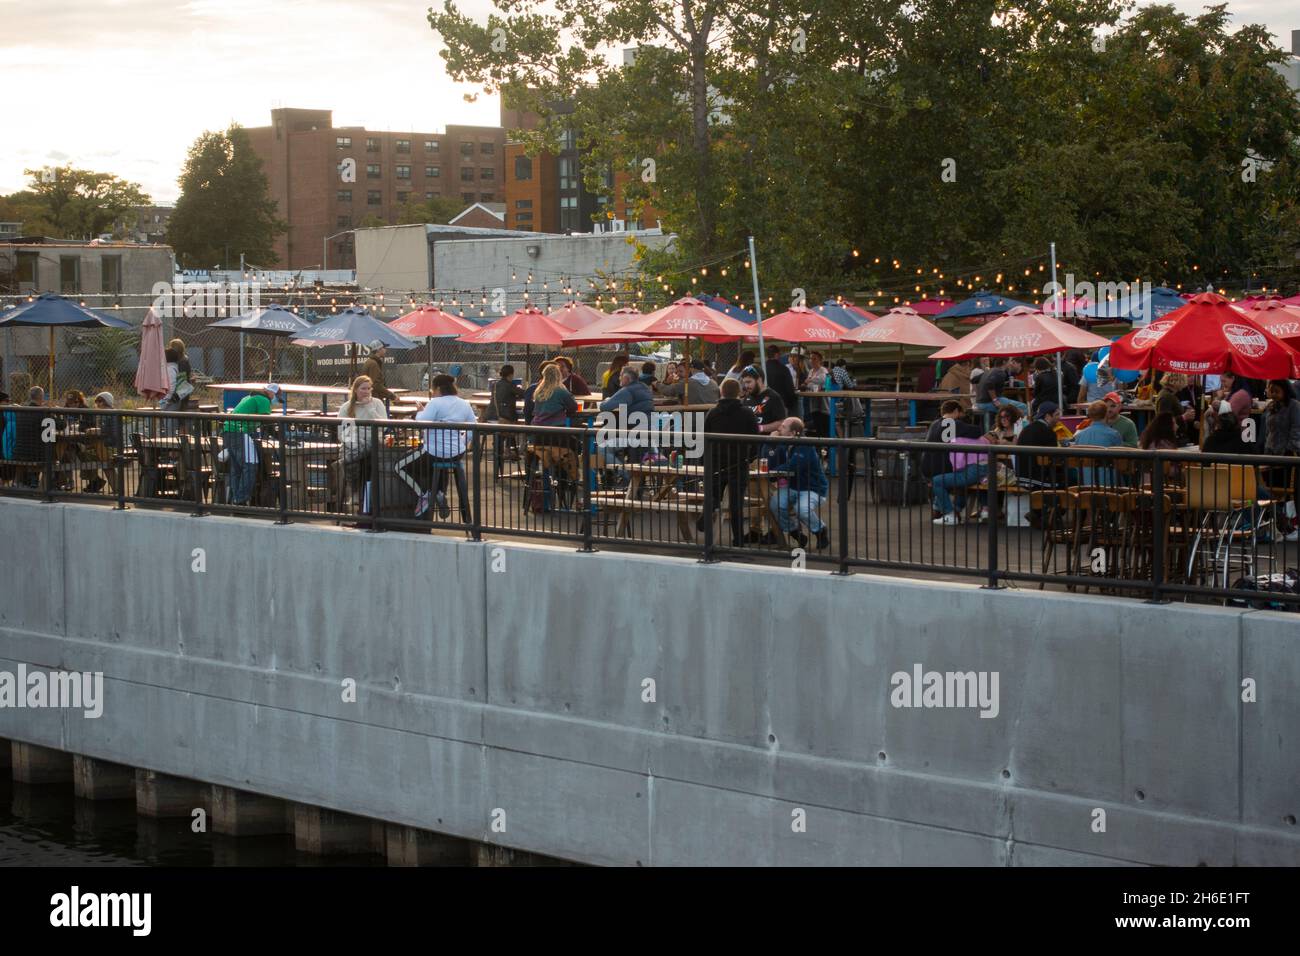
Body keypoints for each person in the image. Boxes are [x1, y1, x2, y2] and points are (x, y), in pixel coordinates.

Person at [397, 373, 477, 521]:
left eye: (433, 389)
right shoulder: (464, 403)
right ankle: (441, 494)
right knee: (438, 466)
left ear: (438, 388)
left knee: (399, 466)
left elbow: (421, 421)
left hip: (434, 452)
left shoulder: (435, 402)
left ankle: (425, 494)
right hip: (456, 453)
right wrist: (463, 442)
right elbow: (473, 427)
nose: (432, 392)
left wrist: (421, 411)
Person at [701, 378, 759, 546]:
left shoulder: (713, 413)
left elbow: (706, 438)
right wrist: (750, 458)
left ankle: (706, 527)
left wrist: (706, 460)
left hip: (716, 462)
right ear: (739, 393)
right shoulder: (747, 413)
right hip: (739, 463)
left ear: (721, 392)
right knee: (736, 504)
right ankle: (738, 539)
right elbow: (755, 439)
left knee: (712, 497)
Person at [765, 417, 829, 550]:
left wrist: (772, 471)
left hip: (812, 488)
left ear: (793, 433)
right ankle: (795, 531)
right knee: (775, 504)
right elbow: (771, 460)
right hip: (793, 486)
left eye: (783, 427)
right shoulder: (785, 444)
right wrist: (771, 443)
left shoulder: (805, 445)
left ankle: (820, 531)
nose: (779, 429)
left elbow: (793, 466)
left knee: (802, 510)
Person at [221, 383, 279, 505]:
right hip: (240, 432)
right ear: (271, 393)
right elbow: (266, 422)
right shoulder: (264, 400)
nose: (276, 402)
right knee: (251, 465)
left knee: (236, 468)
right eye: (276, 397)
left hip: (228, 430)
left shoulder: (249, 397)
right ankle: (241, 498)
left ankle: (235, 498)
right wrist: (280, 437)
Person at [598, 366, 656, 484]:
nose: (619, 378)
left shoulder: (627, 390)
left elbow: (604, 407)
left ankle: (628, 476)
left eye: (620, 376)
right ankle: (626, 476)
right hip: (650, 433)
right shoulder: (644, 387)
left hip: (636, 435)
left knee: (602, 447)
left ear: (626, 378)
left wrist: (607, 400)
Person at [337, 375, 386, 509]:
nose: (366, 391)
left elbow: (384, 426)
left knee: (349, 454)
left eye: (369, 388)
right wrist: (353, 442)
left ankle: (354, 490)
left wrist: (371, 411)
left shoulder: (377, 403)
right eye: (363, 388)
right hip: (353, 441)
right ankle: (355, 491)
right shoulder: (346, 407)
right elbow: (343, 434)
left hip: (373, 439)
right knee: (352, 448)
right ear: (355, 390)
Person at [1263, 379, 1300, 540]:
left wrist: (1290, 450)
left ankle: (1289, 523)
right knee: (1265, 488)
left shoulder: (1294, 406)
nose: (1274, 395)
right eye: (1271, 391)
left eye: (1277, 391)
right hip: (1271, 454)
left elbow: (1296, 430)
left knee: (1288, 490)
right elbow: (1268, 431)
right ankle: (1278, 522)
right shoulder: (1271, 407)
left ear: (1285, 390)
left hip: (1288, 456)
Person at [483, 364, 524, 470]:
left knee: (506, 429)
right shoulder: (510, 385)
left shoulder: (495, 385)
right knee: (514, 425)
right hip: (503, 419)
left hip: (491, 417)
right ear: (511, 375)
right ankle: (507, 450)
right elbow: (522, 394)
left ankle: (503, 448)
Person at [1014, 401, 1062, 491]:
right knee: (1071, 479)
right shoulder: (1048, 432)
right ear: (1048, 416)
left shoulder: (1027, 428)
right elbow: (1054, 457)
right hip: (1039, 480)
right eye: (1057, 415)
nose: (1059, 418)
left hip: (1022, 477)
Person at [739, 365, 787, 434]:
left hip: (766, 442)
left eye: (749, 382)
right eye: (744, 383)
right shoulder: (747, 398)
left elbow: (781, 422)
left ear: (759, 380)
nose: (746, 386)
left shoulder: (773, 397)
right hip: (749, 441)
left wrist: (760, 428)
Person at [803, 351, 832, 436]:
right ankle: (820, 447)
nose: (811, 361)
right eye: (810, 358)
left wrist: (810, 380)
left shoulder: (823, 370)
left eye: (814, 359)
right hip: (814, 403)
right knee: (817, 426)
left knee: (824, 427)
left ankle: (826, 446)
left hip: (824, 404)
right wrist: (808, 384)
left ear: (820, 360)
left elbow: (823, 380)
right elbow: (809, 385)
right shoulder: (811, 371)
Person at [764, 345, 797, 410]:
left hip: (765, 403)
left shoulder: (762, 368)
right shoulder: (784, 369)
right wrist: (792, 402)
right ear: (776, 354)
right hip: (781, 403)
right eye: (779, 354)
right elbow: (789, 388)